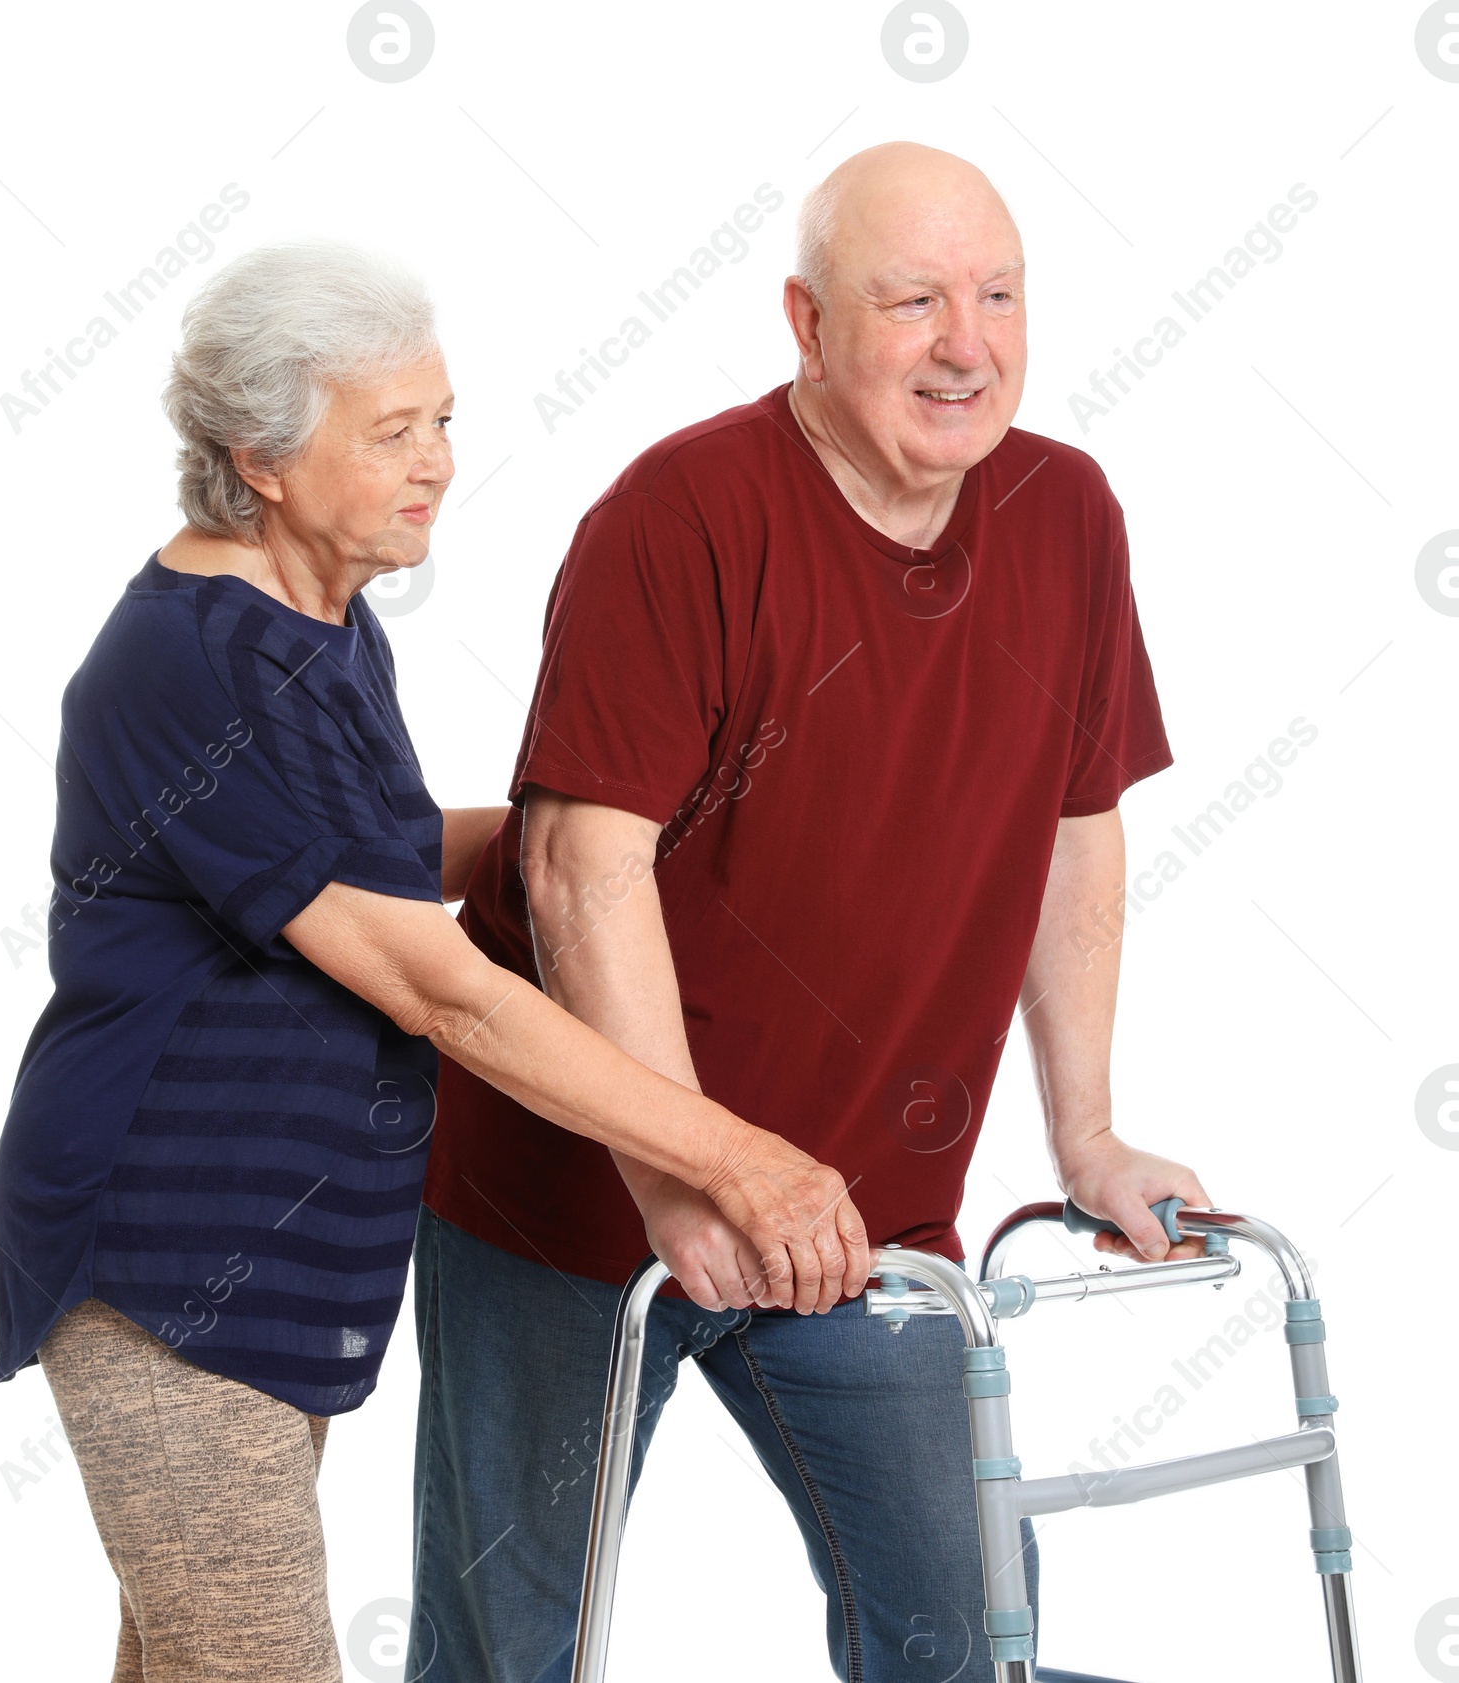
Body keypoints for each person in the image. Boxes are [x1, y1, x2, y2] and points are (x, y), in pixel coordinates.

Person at [0, 240, 868, 1683]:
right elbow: (432, 982)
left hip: (270, 1272)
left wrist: (614, 821)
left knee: (183, 1664)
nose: (439, 462)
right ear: (259, 460)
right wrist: (738, 1157)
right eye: (391, 432)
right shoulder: (196, 664)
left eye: (442, 418)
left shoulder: (323, 625)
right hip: (168, 1267)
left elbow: (389, 858)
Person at [411, 143, 1214, 1681]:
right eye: (913, 302)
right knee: (511, 1651)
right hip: (576, 1200)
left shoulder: (1068, 515)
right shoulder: (682, 515)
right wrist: (677, 1169)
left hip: (864, 1216)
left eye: (997, 297)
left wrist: (1089, 1130)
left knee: (969, 1635)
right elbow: (584, 865)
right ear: (808, 322)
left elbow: (1077, 827)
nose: (965, 345)